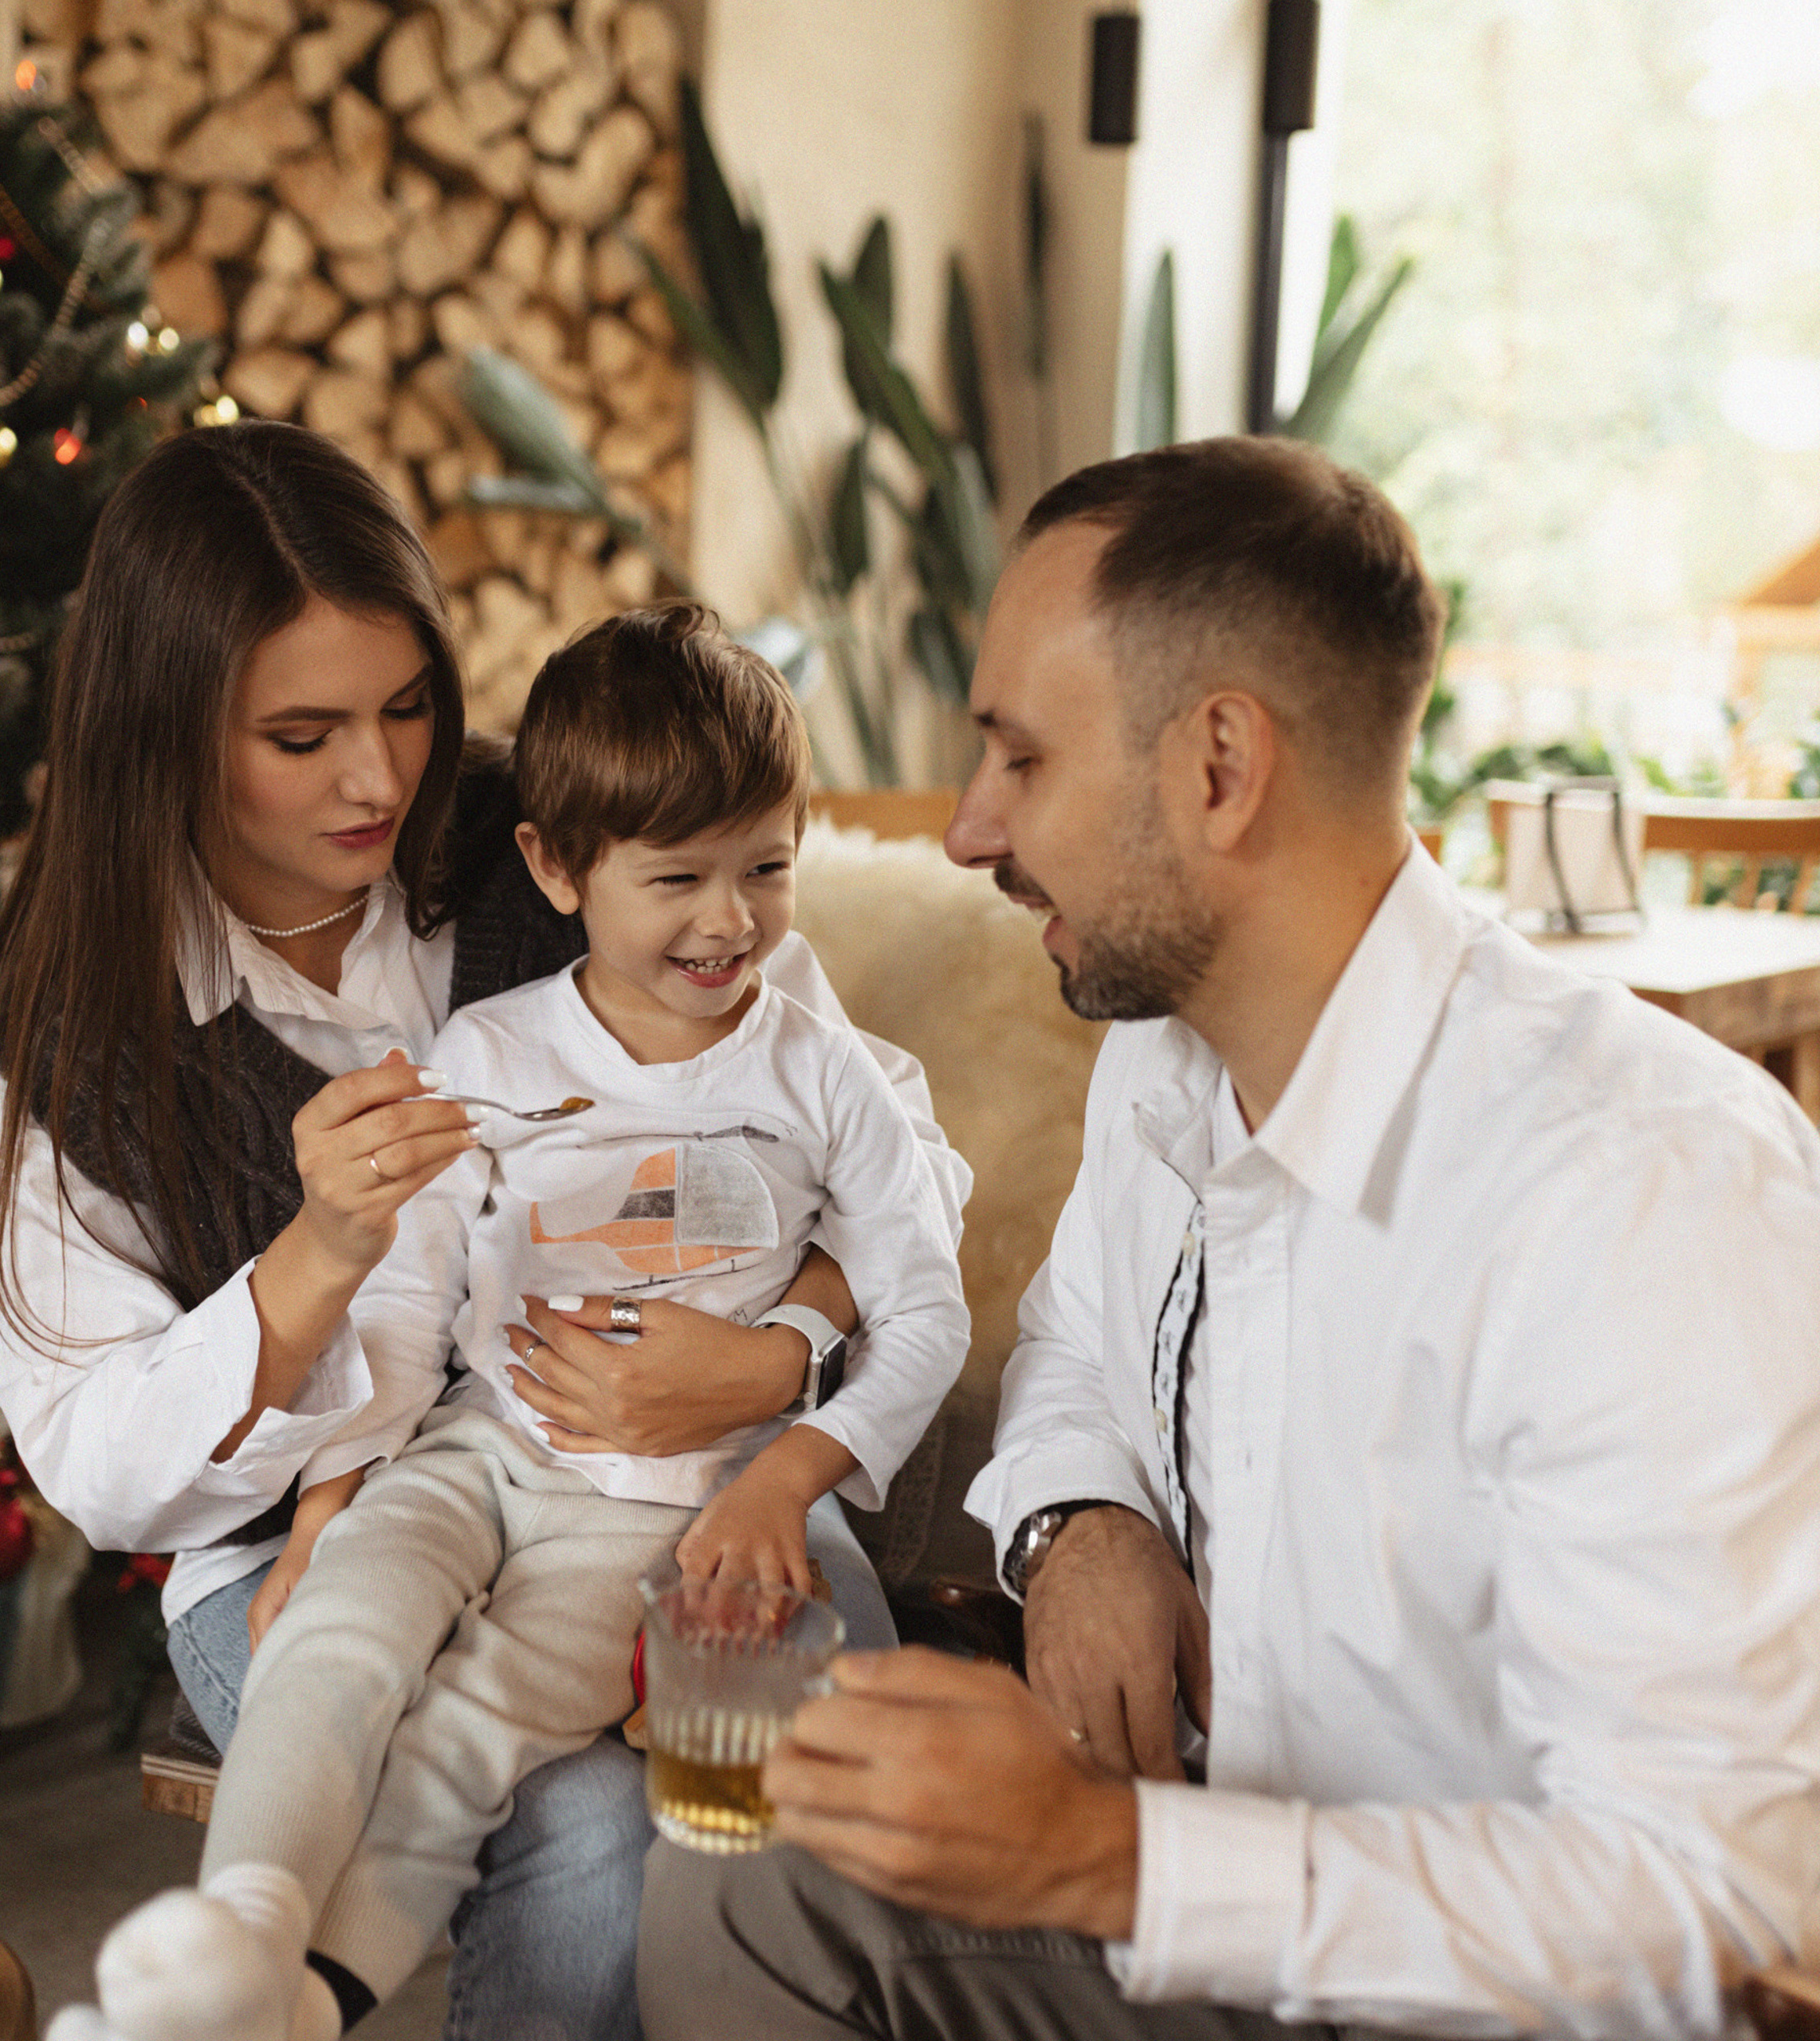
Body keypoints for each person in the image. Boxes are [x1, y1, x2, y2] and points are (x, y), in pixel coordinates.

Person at [637, 436, 1820, 2040]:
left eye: (1019, 758)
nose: (971, 829)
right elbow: (1071, 1344)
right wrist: (1076, 1522)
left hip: (1490, 1994)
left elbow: (1711, 1909)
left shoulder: (1645, 1195)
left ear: (1216, 763)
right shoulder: (1164, 1052)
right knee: (752, 1870)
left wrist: (1111, 1859)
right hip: (1220, 1914)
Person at [0, 423, 968, 2041]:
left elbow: (879, 1143)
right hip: (292, 1535)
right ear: (165, 734)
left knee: (670, 1821)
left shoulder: (571, 829)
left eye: (407, 703)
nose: (379, 776)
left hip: (672, 1487)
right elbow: (97, 1463)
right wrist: (315, 1264)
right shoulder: (79, 1034)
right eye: (300, 733)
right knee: (555, 1808)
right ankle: (240, 1976)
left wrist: (772, 1353)